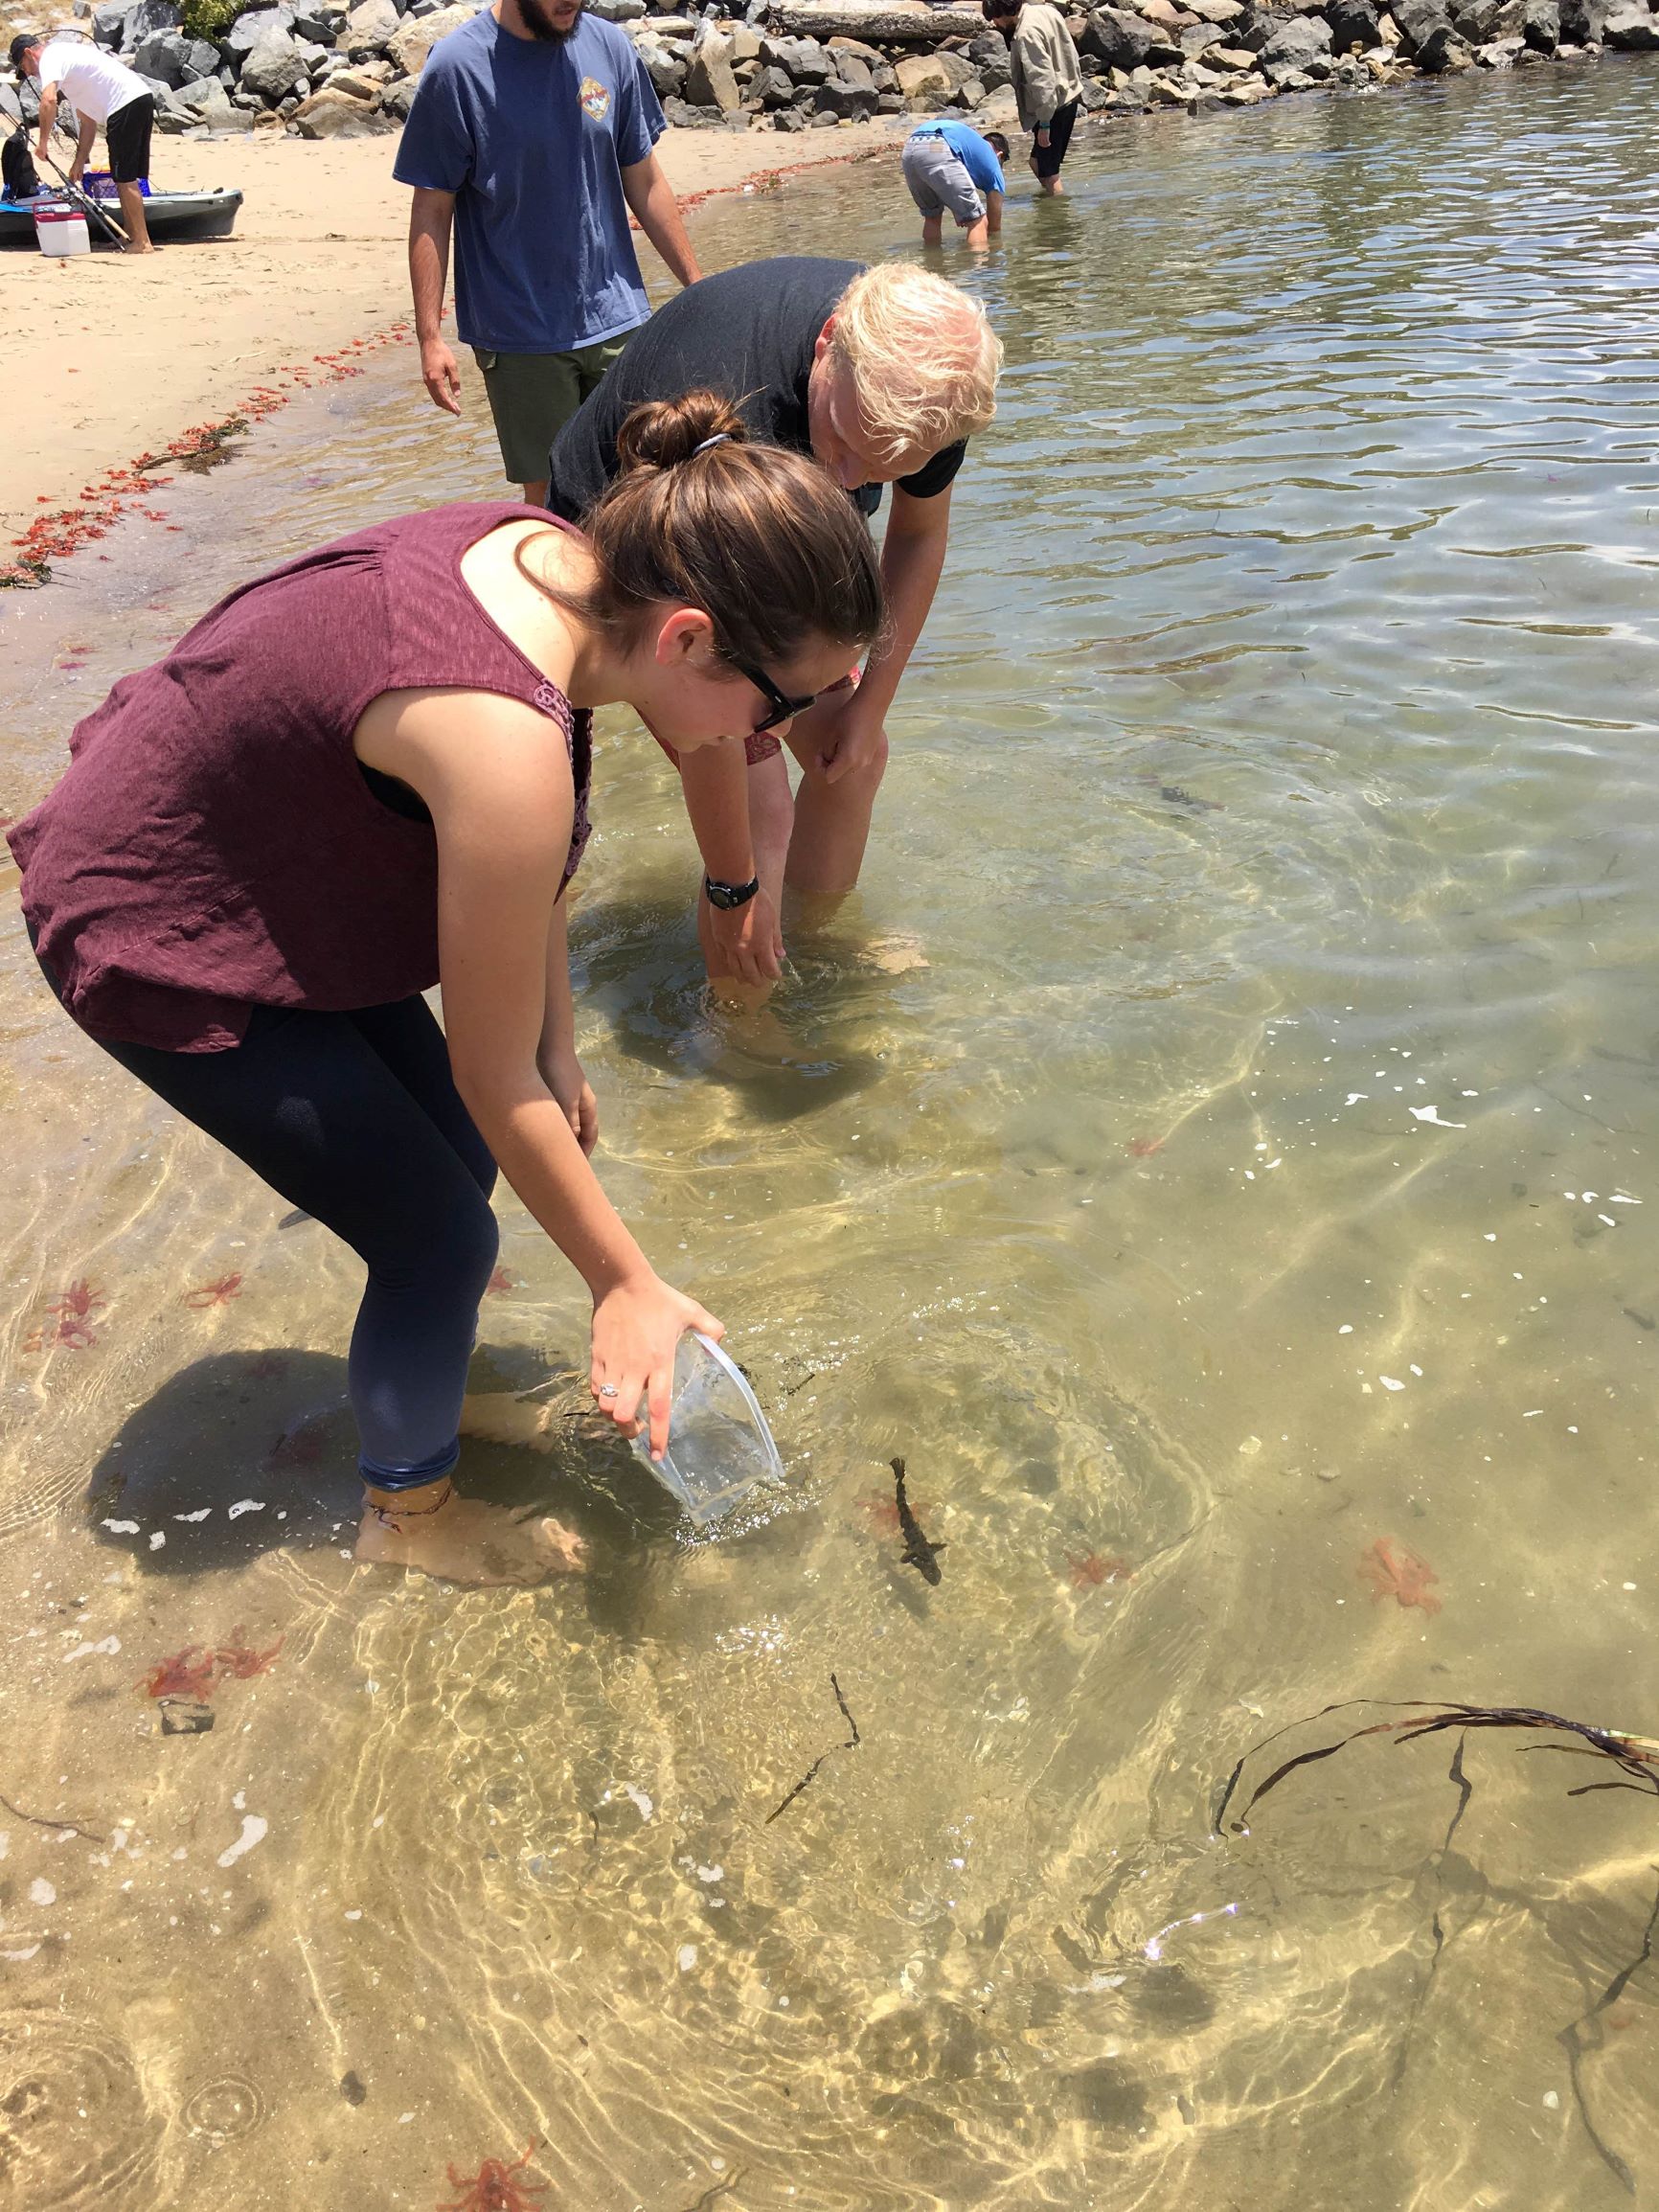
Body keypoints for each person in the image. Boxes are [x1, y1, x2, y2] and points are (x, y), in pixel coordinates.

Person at [7, 394, 884, 1588]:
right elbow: (489, 1049)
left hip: (269, 861)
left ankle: (426, 1377)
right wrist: (624, 1281)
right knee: (438, 1230)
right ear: (686, 637)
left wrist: (560, 1041)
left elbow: (541, 859)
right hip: (157, 914)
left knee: (457, 1163)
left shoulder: (563, 567)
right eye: (781, 705)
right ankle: (406, 1516)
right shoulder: (501, 732)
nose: (778, 733)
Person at [547, 257, 1003, 993]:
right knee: (760, 820)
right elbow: (706, 674)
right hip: (621, 542)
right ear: (827, 345)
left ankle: (806, 959)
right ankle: (739, 1028)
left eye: (882, 472)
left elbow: (917, 537)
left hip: (763, 550)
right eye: (844, 446)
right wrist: (736, 882)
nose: (851, 483)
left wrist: (868, 708)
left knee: (856, 758)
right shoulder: (731, 396)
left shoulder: (928, 390)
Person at [395, 0, 702, 507]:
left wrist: (699, 287)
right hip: (520, 333)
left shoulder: (609, 46)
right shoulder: (457, 67)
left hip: (619, 317)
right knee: (554, 503)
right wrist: (430, 336)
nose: (571, 2)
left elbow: (645, 181)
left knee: (646, 492)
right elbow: (431, 209)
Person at [11, 29, 155, 252]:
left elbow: (48, 100)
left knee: (125, 177)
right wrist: (79, 162)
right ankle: (131, 235)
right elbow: (88, 123)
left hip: (125, 104)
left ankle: (143, 242)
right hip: (138, 99)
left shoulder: (51, 57)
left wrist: (42, 143)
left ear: (29, 53)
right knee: (122, 176)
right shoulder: (69, 72)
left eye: (24, 67)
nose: (28, 74)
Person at [982, 0, 1082, 197]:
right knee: (1037, 163)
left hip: (1052, 108)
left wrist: (1045, 124)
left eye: (995, 18)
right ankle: (1051, 204)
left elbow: (1042, 81)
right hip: (1068, 95)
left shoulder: (1025, 34)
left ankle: (1059, 219)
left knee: (1050, 173)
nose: (995, 23)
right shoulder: (1046, 11)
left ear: (1005, 12)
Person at [901, 122, 1009, 251]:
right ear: (1000, 155)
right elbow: (994, 226)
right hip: (939, 144)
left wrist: (960, 211)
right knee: (978, 221)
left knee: (932, 217)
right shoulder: (993, 163)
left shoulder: (970, 145)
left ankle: (933, 265)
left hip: (911, 146)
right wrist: (994, 248)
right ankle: (979, 269)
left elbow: (946, 178)